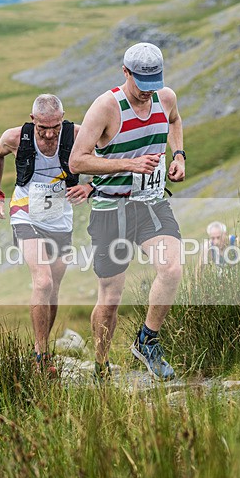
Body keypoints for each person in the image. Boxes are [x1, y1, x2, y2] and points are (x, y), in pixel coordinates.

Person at [69, 42, 186, 382]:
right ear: (125, 73)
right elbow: (78, 160)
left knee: (172, 269)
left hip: (151, 201)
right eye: (141, 84)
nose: (148, 91)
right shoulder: (106, 107)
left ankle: (147, 341)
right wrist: (129, 163)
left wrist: (178, 155)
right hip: (111, 207)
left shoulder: (165, 97)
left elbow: (176, 120)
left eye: (154, 82)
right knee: (111, 295)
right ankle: (102, 364)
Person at [0, 94, 92, 376]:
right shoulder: (15, 138)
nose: (48, 133)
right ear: (33, 120)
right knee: (42, 281)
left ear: (63, 118)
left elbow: (104, 158)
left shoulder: (78, 135)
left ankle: (44, 352)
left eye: (55, 126)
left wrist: (90, 187)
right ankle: (41, 356)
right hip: (25, 213)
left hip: (60, 220)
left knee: (54, 287)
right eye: (42, 127)